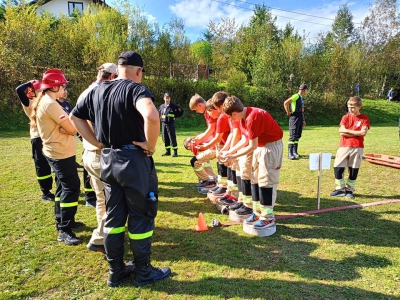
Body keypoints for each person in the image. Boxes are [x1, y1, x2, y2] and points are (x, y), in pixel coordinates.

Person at [70, 51, 171, 287]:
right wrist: (151, 145)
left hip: (107, 160)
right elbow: (152, 116)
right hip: (133, 161)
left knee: (113, 217)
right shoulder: (135, 89)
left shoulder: (97, 89)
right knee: (141, 217)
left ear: (118, 68)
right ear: (139, 71)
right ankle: (144, 272)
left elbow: (75, 116)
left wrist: (96, 142)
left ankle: (116, 271)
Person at [30, 69, 83, 245]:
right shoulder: (51, 104)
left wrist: (66, 126)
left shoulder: (47, 101)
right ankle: (64, 229)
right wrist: (67, 127)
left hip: (57, 151)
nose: (64, 88)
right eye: (62, 85)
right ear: (54, 87)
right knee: (71, 188)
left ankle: (63, 220)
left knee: (62, 188)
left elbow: (67, 126)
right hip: (60, 153)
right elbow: (72, 128)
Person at [220, 96, 283, 232]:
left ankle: (268, 217)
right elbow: (245, 139)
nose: (231, 120)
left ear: (234, 113)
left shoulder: (252, 118)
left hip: (270, 147)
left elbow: (251, 146)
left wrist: (233, 155)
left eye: (230, 117)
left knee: (267, 181)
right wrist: (230, 151)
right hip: (261, 146)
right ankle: (257, 212)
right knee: (255, 179)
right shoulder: (244, 117)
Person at [76, 62, 118, 254]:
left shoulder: (88, 91)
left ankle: (106, 235)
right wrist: (97, 142)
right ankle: (100, 238)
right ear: (111, 77)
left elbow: (75, 118)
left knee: (102, 199)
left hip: (89, 154)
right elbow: (75, 118)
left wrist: (90, 141)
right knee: (112, 200)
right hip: (100, 155)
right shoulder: (100, 94)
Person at [57, 88, 97, 208]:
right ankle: (90, 198)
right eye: (62, 88)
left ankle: (92, 196)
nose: (65, 91)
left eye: (66, 89)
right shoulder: (53, 104)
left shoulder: (67, 104)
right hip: (79, 137)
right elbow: (73, 120)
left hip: (77, 138)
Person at [16, 80, 55, 202]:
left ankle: (61, 187)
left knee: (54, 163)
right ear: (32, 91)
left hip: (49, 136)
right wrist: (29, 83)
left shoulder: (47, 101)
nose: (43, 91)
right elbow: (18, 90)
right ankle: (46, 192)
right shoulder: (29, 102)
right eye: (39, 89)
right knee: (42, 165)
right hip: (37, 137)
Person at [329, 96, 370, 199]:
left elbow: (363, 132)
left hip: (357, 147)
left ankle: (349, 190)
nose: (350, 109)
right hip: (344, 146)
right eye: (349, 107)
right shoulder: (345, 117)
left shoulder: (364, 118)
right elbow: (341, 131)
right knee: (338, 167)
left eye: (353, 107)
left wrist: (348, 132)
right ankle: (340, 188)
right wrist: (357, 133)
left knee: (353, 169)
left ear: (359, 107)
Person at [189, 95, 218, 189]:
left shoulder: (209, 111)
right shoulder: (209, 111)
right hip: (217, 143)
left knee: (195, 161)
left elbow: (211, 129)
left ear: (200, 105)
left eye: (196, 109)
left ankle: (208, 181)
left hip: (218, 145)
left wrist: (199, 141)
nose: (197, 112)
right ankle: (211, 179)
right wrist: (199, 138)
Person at [283, 84, 307, 160]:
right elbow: (286, 103)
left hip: (299, 117)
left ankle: (295, 152)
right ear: (304, 90)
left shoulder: (301, 98)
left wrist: (303, 120)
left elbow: (302, 111)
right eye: (306, 90)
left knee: (297, 135)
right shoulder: (296, 96)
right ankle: (290, 153)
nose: (306, 92)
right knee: (293, 135)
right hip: (294, 116)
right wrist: (288, 112)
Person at [158, 93, 184, 157]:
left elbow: (181, 111)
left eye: (168, 98)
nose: (167, 99)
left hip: (170, 123)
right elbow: (158, 113)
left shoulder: (173, 106)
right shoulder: (162, 106)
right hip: (164, 123)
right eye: (166, 98)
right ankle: (167, 151)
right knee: (165, 137)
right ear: (164, 98)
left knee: (172, 137)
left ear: (170, 98)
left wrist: (176, 116)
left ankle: (175, 152)